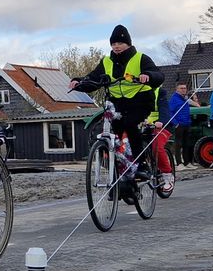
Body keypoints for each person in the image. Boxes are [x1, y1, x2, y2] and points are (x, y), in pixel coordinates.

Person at [70, 25, 165, 187]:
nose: (116, 46)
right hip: (118, 104)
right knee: (114, 130)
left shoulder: (141, 58)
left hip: (140, 101)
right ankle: (121, 168)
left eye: (120, 43)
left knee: (130, 124)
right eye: (114, 44)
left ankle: (141, 164)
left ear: (128, 44)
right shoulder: (106, 61)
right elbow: (93, 78)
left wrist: (147, 76)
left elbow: (158, 75)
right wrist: (79, 82)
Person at [167, 82, 200, 169]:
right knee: (178, 144)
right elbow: (170, 112)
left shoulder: (185, 99)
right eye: (181, 88)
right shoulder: (174, 99)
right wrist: (176, 123)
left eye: (184, 88)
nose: (183, 90)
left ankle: (187, 162)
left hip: (186, 123)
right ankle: (179, 163)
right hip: (179, 124)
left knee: (186, 143)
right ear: (177, 89)